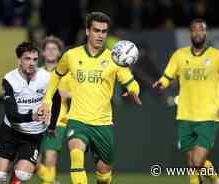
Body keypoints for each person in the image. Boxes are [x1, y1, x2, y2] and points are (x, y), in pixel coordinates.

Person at [37, 12, 141, 184]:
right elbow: (56, 75)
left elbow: (131, 81)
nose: (100, 35)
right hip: (78, 120)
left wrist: (133, 90)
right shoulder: (71, 56)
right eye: (96, 30)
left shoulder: (114, 58)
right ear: (87, 31)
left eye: (104, 31)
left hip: (103, 123)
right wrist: (47, 101)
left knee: (104, 173)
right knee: (76, 156)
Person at [153, 18, 219, 184]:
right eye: (194, 29)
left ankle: (212, 178)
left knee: (197, 162)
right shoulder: (179, 55)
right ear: (190, 33)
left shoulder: (218, 56)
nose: (197, 32)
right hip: (185, 115)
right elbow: (168, 75)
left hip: (209, 116)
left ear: (206, 33)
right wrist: (162, 83)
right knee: (193, 163)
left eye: (201, 29)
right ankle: (213, 178)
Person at [0, 41, 58, 184]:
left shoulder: (46, 77)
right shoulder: (9, 79)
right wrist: (33, 116)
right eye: (27, 59)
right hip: (10, 131)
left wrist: (52, 125)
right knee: (0, 176)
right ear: (19, 61)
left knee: (23, 174)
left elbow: (57, 100)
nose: (32, 63)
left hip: (32, 136)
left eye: (35, 59)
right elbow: (11, 115)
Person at [37, 36, 71, 184]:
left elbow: (79, 93)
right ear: (43, 53)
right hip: (37, 120)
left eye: (54, 49)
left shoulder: (67, 73)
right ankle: (50, 180)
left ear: (59, 53)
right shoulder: (35, 74)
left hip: (58, 120)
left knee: (50, 157)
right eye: (48, 49)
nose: (51, 51)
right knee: (31, 161)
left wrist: (67, 95)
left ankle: (48, 181)